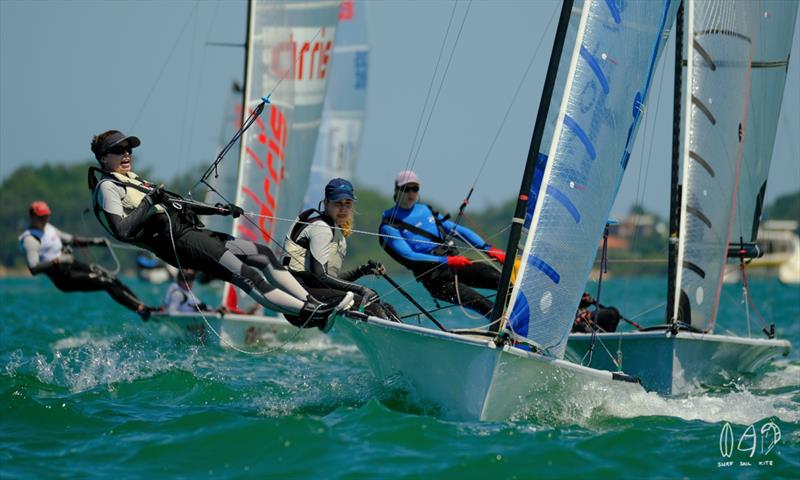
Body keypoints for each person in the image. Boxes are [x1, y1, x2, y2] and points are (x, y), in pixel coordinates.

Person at [88, 130, 353, 332]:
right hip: (181, 244)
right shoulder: (108, 188)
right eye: (118, 150)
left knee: (263, 255)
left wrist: (219, 210)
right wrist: (149, 201)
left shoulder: (134, 180)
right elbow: (121, 230)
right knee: (247, 275)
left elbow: (180, 204)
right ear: (103, 158)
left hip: (194, 233)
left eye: (128, 149)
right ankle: (314, 313)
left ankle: (314, 305)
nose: (126, 154)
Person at [378, 170, 506, 318]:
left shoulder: (427, 210)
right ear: (396, 191)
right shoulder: (389, 224)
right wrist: (447, 260)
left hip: (455, 265)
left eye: (415, 188)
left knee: (501, 280)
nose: (411, 193)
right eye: (406, 189)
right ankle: (503, 334)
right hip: (436, 279)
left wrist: (487, 248)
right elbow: (409, 255)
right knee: (484, 305)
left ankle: (521, 322)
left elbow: (458, 230)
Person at [282, 178, 399, 321]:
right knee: (370, 304)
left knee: (385, 307)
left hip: (312, 293)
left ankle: (403, 338)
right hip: (299, 299)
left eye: (347, 204)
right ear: (326, 203)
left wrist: (361, 271)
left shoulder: (333, 229)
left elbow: (327, 282)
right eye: (338, 203)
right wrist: (361, 289)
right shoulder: (321, 228)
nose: (343, 209)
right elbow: (320, 277)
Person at [19, 200, 157, 320]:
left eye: (46, 216)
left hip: (72, 264)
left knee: (111, 277)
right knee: (106, 282)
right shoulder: (30, 239)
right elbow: (34, 269)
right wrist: (58, 261)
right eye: (41, 217)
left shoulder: (49, 228)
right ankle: (141, 310)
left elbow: (72, 240)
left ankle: (143, 306)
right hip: (64, 278)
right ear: (32, 217)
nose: (44, 220)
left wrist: (95, 242)